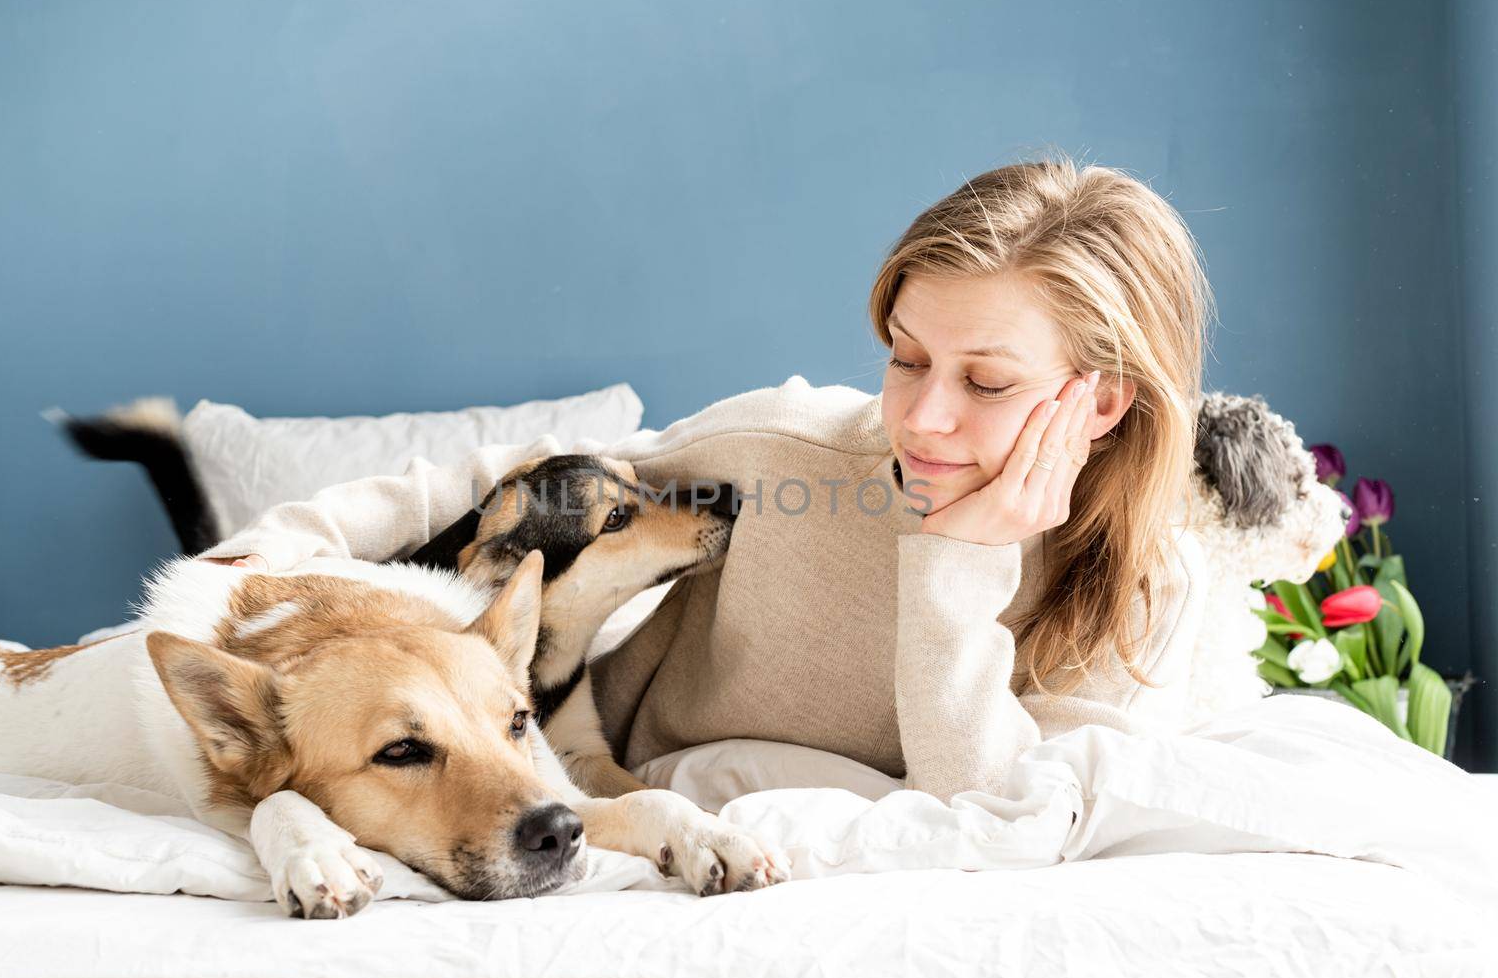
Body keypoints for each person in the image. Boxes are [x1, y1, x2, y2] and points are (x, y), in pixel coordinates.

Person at [203, 156, 1209, 801]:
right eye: (905, 358)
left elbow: (988, 812)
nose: (921, 416)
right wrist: (285, 538)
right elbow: (526, 477)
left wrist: (955, 565)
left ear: (1104, 403)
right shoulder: (789, 452)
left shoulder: (1144, 587)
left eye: (985, 381)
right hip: (619, 771)